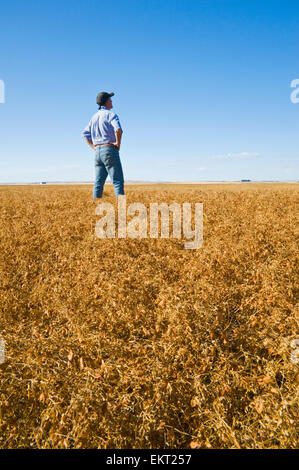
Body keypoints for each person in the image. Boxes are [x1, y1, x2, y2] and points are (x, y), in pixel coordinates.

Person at [83, 91, 124, 200]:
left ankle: (95, 206)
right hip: (109, 149)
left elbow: (85, 134)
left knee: (98, 183)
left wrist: (94, 147)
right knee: (117, 181)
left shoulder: (94, 117)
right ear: (106, 102)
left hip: (97, 152)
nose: (111, 101)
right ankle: (121, 208)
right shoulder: (111, 115)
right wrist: (117, 144)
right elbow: (119, 130)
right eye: (110, 100)